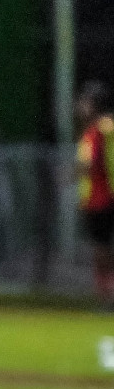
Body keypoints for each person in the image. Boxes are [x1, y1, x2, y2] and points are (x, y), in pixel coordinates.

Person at [76, 81, 114, 307]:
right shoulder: (105, 128)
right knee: (104, 246)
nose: (81, 107)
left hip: (101, 197)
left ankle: (105, 294)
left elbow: (91, 163)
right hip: (102, 196)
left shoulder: (97, 131)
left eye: (85, 102)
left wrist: (71, 173)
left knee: (102, 247)